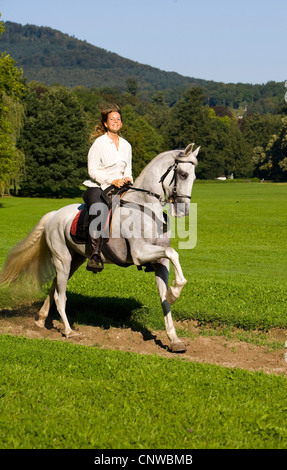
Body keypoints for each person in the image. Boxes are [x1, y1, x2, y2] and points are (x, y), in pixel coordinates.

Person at [82, 104, 133, 273]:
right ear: (105, 123)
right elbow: (92, 170)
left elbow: (128, 169)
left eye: (118, 119)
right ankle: (95, 255)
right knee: (99, 209)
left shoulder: (126, 145)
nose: (116, 121)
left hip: (119, 187)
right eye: (112, 119)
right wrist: (112, 180)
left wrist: (127, 178)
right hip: (97, 187)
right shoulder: (99, 143)